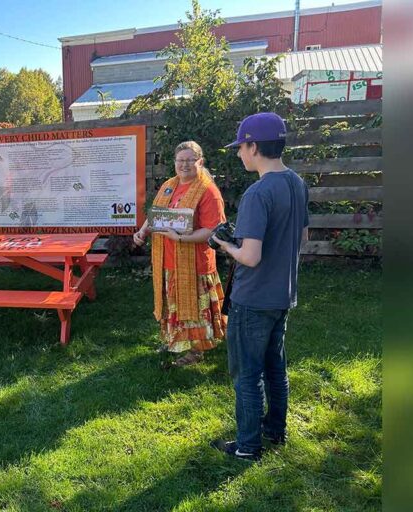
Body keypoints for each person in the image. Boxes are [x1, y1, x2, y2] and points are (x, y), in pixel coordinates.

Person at [210, 112, 309, 461]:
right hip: (283, 294)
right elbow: (301, 236)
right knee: (275, 367)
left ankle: (248, 446)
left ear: (254, 146)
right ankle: (274, 430)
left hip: (252, 299)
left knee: (247, 375)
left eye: (241, 147)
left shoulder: (258, 192)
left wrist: (223, 244)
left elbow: (249, 257)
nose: (239, 154)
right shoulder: (297, 183)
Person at [133, 141, 227, 367]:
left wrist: (181, 238)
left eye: (190, 160)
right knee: (171, 304)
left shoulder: (207, 191)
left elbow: (213, 230)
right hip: (167, 259)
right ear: (174, 163)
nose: (184, 165)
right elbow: (157, 214)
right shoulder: (169, 185)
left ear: (200, 162)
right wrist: (143, 230)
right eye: (180, 160)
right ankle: (174, 339)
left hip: (193, 263)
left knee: (194, 307)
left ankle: (196, 350)